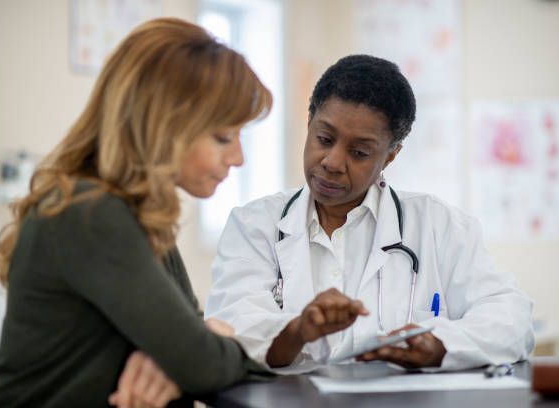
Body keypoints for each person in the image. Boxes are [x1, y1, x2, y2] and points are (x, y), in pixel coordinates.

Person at [0, 17, 272, 407]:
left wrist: (194, 348)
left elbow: (191, 344)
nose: (238, 158)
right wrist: (211, 342)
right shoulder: (91, 212)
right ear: (162, 126)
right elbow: (200, 361)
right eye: (222, 138)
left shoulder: (140, 214)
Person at [205, 54, 535, 370]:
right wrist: (296, 331)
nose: (332, 162)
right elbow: (229, 331)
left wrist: (441, 345)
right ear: (309, 124)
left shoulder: (439, 226)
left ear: (390, 155)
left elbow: (512, 321)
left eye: (359, 152)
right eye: (324, 138)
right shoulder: (253, 225)